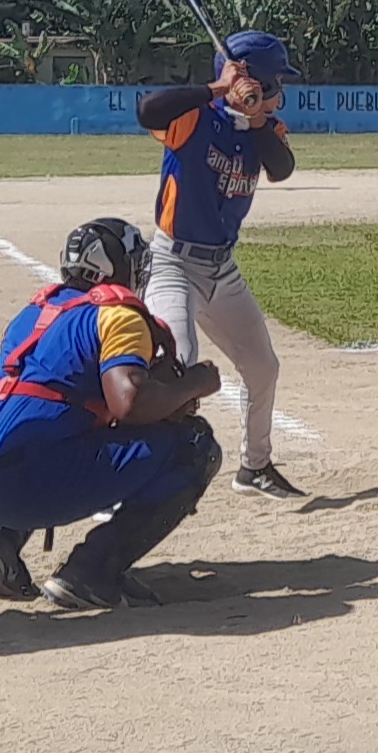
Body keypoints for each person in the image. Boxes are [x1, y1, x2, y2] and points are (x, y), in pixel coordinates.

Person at [0, 218, 224, 610]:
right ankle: (91, 572)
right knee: (193, 445)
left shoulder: (37, 311)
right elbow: (131, 403)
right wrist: (194, 383)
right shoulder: (117, 313)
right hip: (19, 481)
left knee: (36, 430)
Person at [135, 32, 306, 501]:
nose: (278, 94)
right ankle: (131, 483)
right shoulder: (193, 118)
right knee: (177, 370)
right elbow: (148, 110)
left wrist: (253, 119)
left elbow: (283, 167)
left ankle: (255, 467)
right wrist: (215, 91)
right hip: (174, 263)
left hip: (222, 270)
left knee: (262, 366)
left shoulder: (264, 129)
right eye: (274, 83)